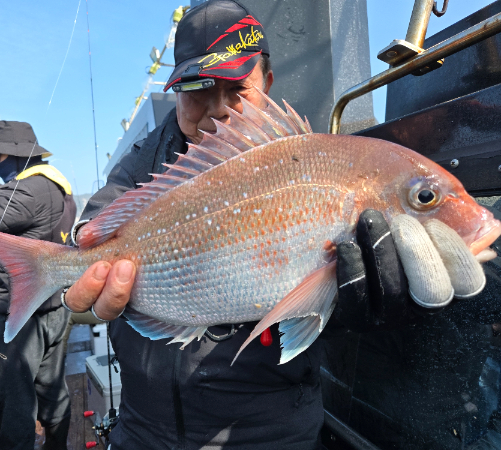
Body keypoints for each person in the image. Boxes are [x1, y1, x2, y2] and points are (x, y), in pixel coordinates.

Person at [62, 1, 488, 448]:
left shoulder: (315, 159)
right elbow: (93, 227)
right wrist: (79, 264)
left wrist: (369, 304)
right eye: (197, 89)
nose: (218, 110)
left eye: (236, 89)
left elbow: (319, 305)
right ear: (177, 92)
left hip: (271, 434)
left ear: (266, 82)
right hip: (142, 432)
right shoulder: (141, 162)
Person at [0, 120, 77, 450]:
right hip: (56, 308)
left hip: (22, 315)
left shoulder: (25, 191)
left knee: (10, 402)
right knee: (52, 392)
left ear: (15, 155)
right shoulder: (57, 187)